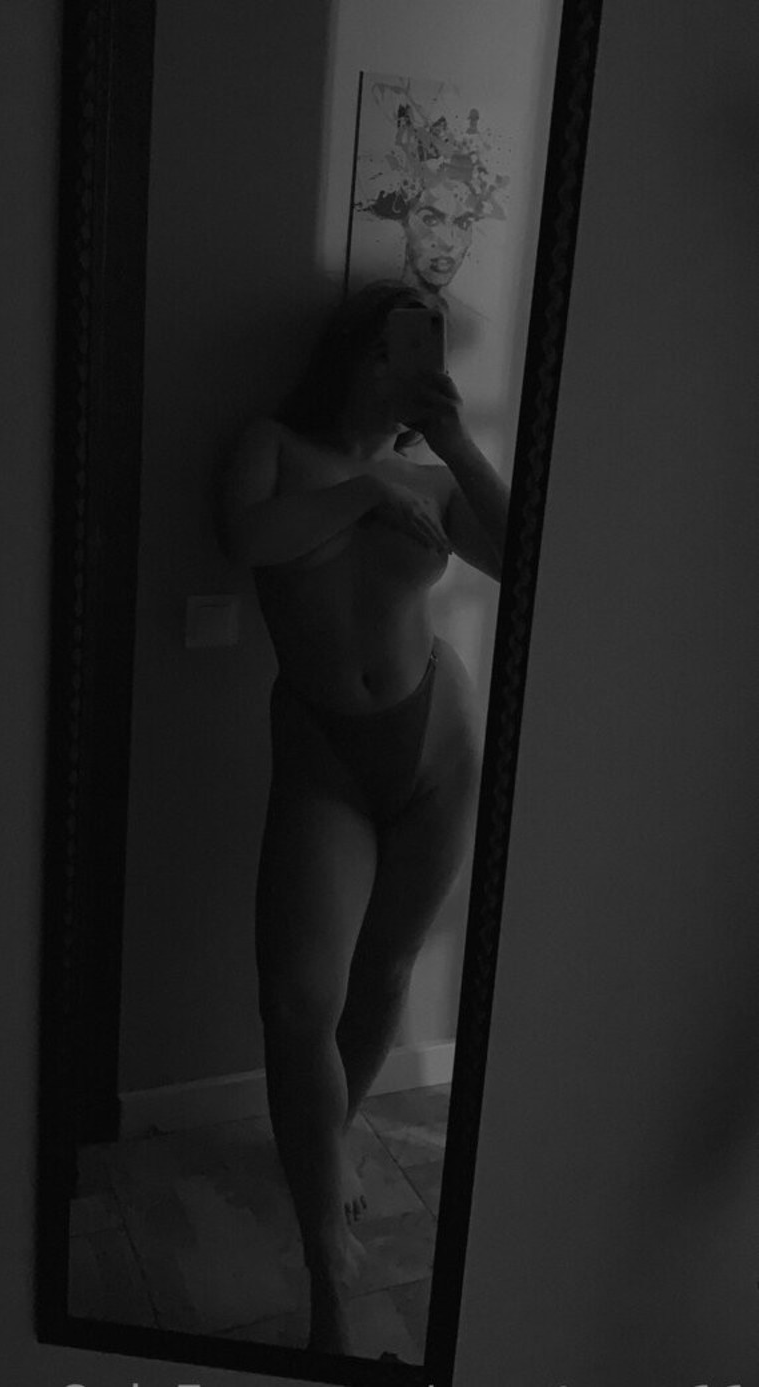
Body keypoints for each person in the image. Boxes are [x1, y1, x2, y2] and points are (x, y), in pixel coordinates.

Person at [219, 280, 509, 1355]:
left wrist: (456, 443)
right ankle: (329, 1277)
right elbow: (244, 539)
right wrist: (359, 493)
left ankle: (326, 1148)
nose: (415, 370)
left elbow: (523, 557)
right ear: (358, 354)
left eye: (428, 354)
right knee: (299, 1002)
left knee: (387, 972)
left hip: (438, 746)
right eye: (399, 349)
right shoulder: (272, 445)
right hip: (325, 758)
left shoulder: (429, 472)